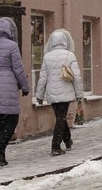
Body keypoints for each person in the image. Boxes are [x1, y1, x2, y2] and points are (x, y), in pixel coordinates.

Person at [0, 17, 30, 166]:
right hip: (7, 85)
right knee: (12, 119)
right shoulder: (12, 46)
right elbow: (18, 68)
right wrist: (25, 86)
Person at [34, 28, 84, 156]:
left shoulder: (47, 57)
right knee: (61, 118)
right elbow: (76, 77)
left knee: (60, 117)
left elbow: (43, 78)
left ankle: (67, 140)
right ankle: (55, 146)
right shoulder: (69, 55)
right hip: (66, 93)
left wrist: (39, 95)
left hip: (51, 93)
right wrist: (79, 95)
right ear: (64, 41)